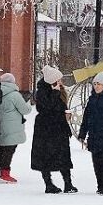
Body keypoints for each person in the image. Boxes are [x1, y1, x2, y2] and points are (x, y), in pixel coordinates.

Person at [31, 66, 77, 194]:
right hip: (46, 129)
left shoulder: (59, 91)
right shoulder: (42, 92)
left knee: (63, 156)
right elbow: (46, 108)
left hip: (59, 128)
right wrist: (55, 93)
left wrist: (65, 115)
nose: (61, 82)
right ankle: (48, 184)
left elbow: (59, 107)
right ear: (53, 81)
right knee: (45, 157)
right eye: (59, 80)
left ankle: (68, 183)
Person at [0, 72, 31, 184]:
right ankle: (5, 174)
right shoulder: (15, 95)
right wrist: (29, 104)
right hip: (12, 128)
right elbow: (25, 110)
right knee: (9, 151)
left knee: (2, 150)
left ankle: (2, 171)